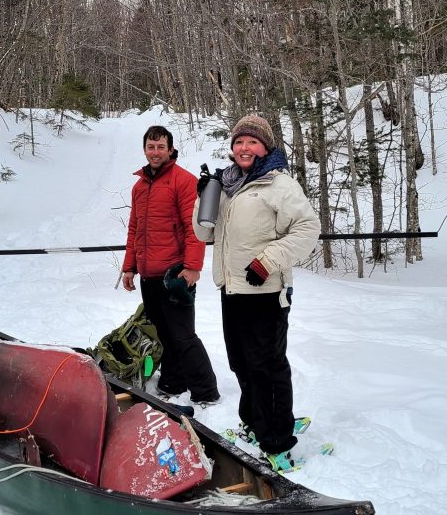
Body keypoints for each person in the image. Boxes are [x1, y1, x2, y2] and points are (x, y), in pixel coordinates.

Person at [193, 114, 320, 471]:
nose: (244, 147)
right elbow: (204, 234)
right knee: (242, 364)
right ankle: (254, 422)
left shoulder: (279, 184)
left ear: (265, 147)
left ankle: (277, 440)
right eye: (239, 142)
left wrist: (268, 261)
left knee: (267, 367)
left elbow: (308, 228)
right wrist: (202, 198)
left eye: (252, 141)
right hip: (232, 289)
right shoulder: (226, 185)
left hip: (265, 291)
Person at [122, 125, 219, 405]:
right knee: (162, 334)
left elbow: (195, 228)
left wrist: (192, 267)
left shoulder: (183, 181)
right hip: (148, 275)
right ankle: (173, 382)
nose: (155, 152)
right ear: (145, 149)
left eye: (160, 147)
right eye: (151, 147)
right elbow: (134, 229)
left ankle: (206, 391)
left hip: (175, 274)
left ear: (170, 149)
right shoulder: (139, 187)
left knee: (183, 336)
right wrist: (129, 267)